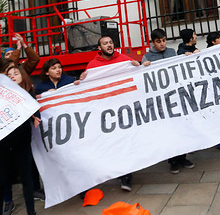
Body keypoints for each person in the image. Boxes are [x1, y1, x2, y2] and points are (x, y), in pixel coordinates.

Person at [0, 63, 42, 215]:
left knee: (27, 180)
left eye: (16, 73)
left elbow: (35, 112)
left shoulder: (28, 94)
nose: (13, 76)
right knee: (0, 182)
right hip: (2, 146)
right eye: (9, 75)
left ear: (23, 76)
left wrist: (35, 117)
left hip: (22, 144)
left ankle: (31, 213)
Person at [78, 35, 141, 190]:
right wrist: (82, 79)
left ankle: (126, 175)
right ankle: (121, 172)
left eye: (111, 43)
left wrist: (139, 65)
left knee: (126, 141)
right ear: (99, 48)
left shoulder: (123, 59)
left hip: (124, 108)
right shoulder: (93, 65)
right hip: (106, 111)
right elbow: (86, 86)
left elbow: (138, 73)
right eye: (105, 43)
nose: (109, 45)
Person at [143, 29, 195, 173]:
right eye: (159, 41)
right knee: (169, 131)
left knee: (181, 128)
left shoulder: (172, 52)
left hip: (177, 96)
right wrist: (143, 67)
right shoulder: (147, 57)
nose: (162, 44)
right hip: (161, 101)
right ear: (153, 42)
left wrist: (187, 56)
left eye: (164, 40)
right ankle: (173, 161)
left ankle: (182, 157)